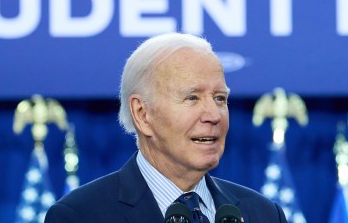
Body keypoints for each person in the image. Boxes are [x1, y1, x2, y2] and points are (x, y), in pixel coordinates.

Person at [45, 32, 287, 223]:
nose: (214, 115)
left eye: (220, 99)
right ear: (142, 114)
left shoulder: (264, 214)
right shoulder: (79, 216)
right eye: (192, 98)